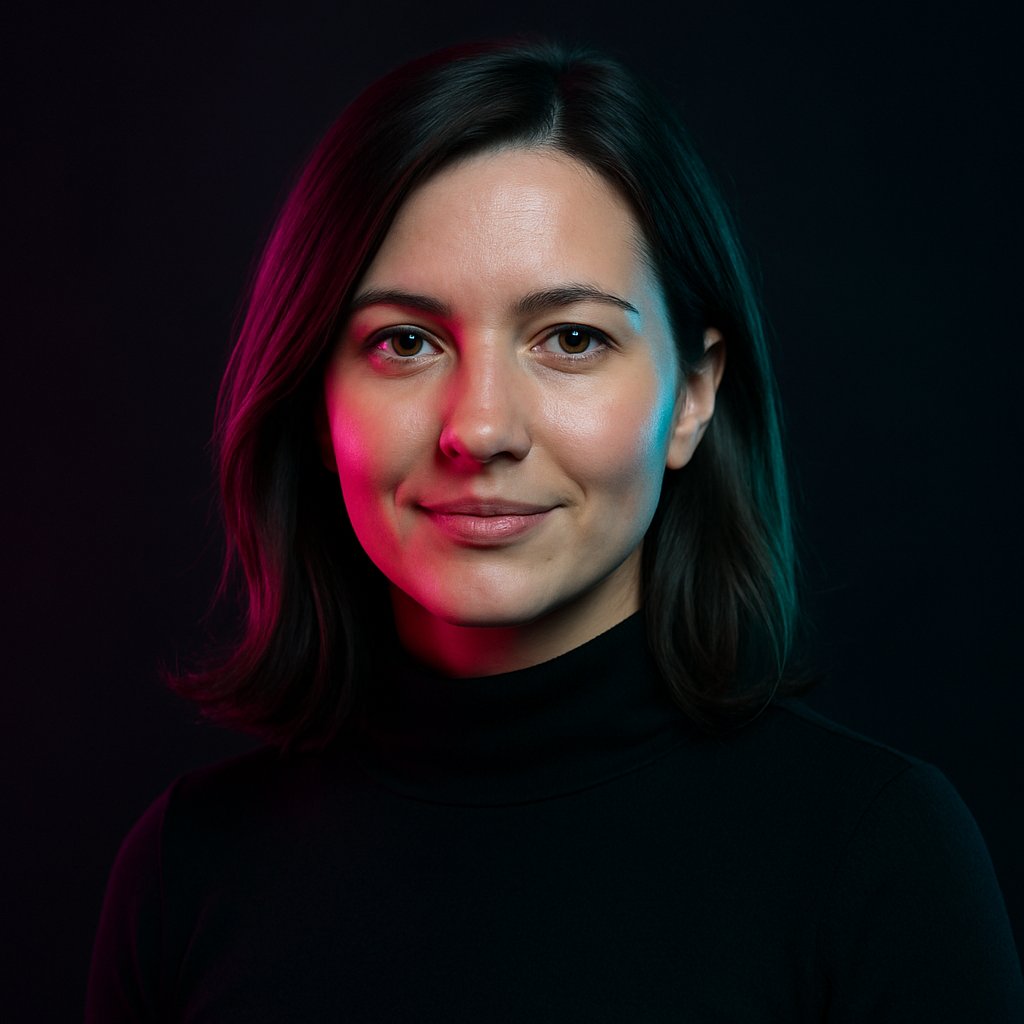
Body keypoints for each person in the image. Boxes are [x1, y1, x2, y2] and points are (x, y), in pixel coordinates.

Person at [86, 39, 1023, 1021]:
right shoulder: (184, 870)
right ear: (318, 399)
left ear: (694, 393)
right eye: (403, 342)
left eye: (571, 338)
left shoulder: (871, 855)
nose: (480, 427)